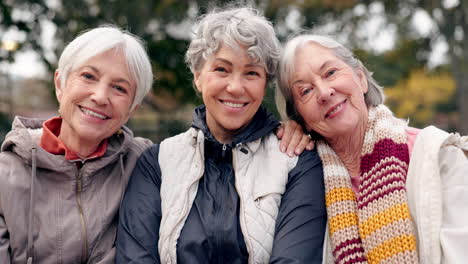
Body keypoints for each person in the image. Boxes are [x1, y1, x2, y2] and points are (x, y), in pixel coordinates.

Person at [116, 7, 327, 263]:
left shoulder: (297, 160)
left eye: (251, 73)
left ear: (265, 83)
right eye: (221, 69)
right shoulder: (156, 163)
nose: (236, 87)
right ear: (198, 77)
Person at [276, 33, 468, 264]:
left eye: (330, 73)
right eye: (305, 91)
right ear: (300, 117)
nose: (325, 92)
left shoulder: (438, 154)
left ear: (361, 79)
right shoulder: (304, 179)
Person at [0, 25, 154, 263]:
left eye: (119, 88)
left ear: (131, 109)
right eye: (88, 76)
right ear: (60, 84)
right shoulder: (4, 176)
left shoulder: (146, 164)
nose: (100, 96)